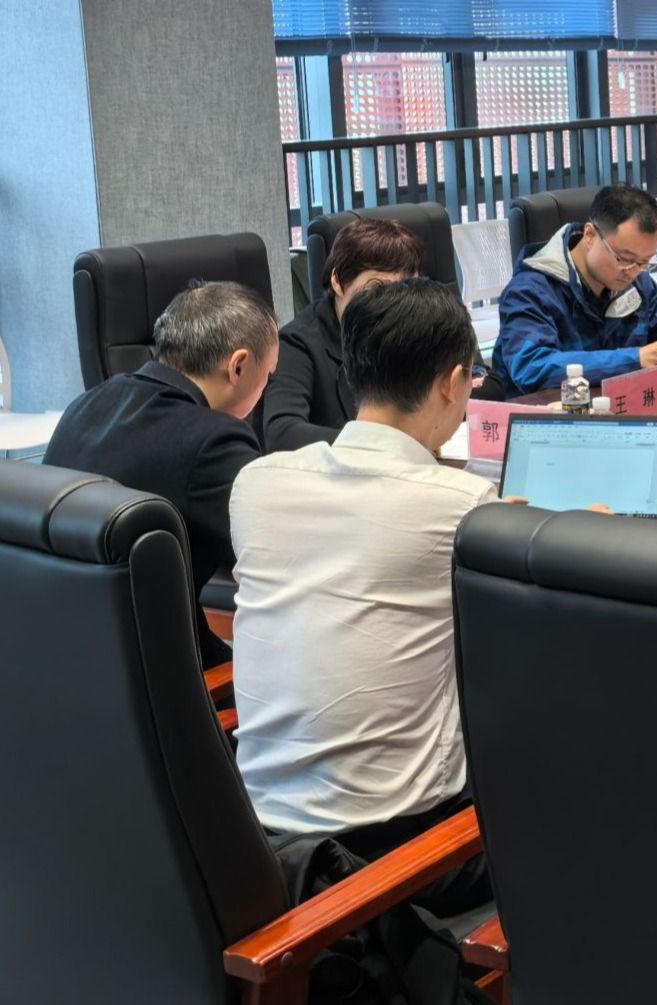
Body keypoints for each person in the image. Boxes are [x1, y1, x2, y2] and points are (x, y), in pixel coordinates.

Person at [230, 279, 497, 911]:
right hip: (399, 853)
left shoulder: (256, 483)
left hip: (260, 835)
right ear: (452, 383)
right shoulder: (461, 505)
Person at [44, 280, 277, 667]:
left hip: (57, 661)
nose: (267, 388)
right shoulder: (215, 441)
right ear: (238, 366)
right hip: (161, 672)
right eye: (269, 375)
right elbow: (279, 554)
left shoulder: (85, 405)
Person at [492, 185, 657, 397]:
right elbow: (532, 366)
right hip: (548, 420)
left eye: (644, 262)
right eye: (624, 258)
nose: (632, 271)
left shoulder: (637, 284)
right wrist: (634, 360)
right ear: (590, 235)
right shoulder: (531, 291)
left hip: (620, 412)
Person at [261, 218, 427, 450]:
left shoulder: (409, 325)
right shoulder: (298, 343)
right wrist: (377, 444)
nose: (390, 301)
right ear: (337, 281)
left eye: (402, 289)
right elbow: (282, 433)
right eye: (377, 287)